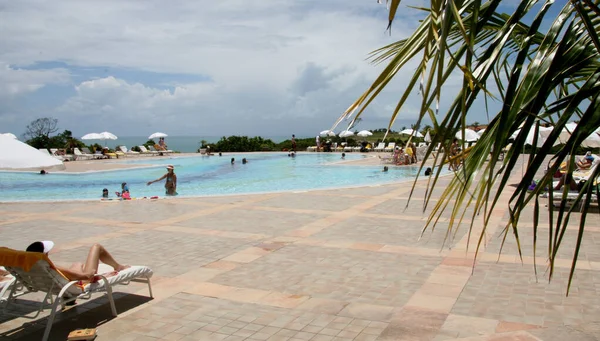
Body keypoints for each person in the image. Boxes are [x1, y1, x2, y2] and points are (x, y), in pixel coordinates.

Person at [26, 241, 129, 281]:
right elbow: (86, 276)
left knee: (78, 264)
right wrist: (104, 276)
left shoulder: (31, 266)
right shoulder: (50, 267)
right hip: (78, 282)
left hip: (63, 282)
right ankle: (118, 266)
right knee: (97, 247)